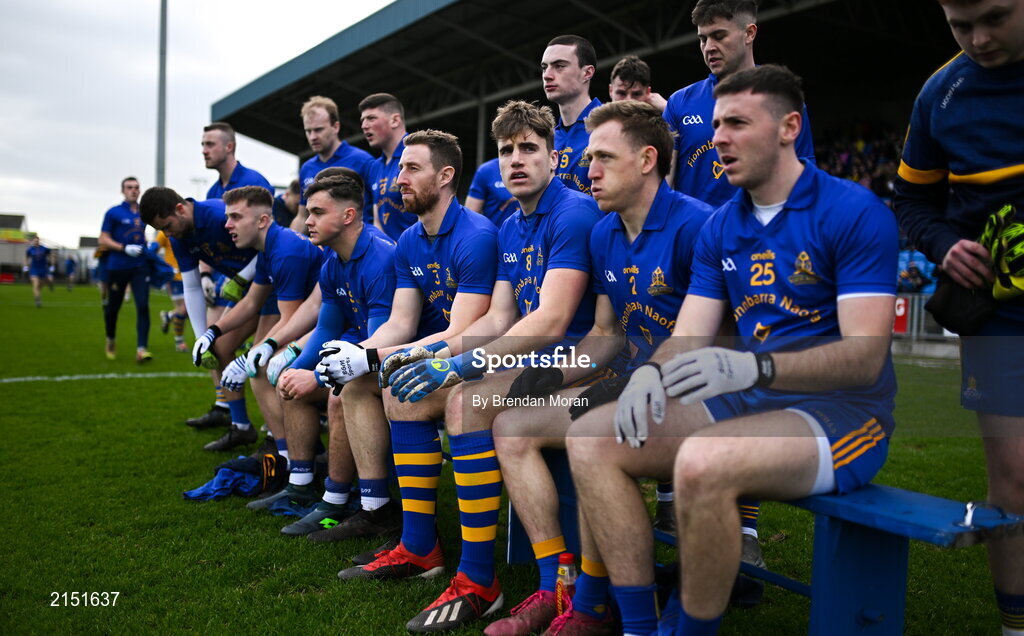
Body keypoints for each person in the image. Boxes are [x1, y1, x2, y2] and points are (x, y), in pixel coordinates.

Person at [565, 65, 898, 636]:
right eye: (716, 123)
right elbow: (689, 333)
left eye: (737, 123)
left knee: (702, 462)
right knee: (590, 438)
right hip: (746, 402)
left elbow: (864, 358)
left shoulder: (855, 212)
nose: (717, 137)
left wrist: (752, 365)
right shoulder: (722, 225)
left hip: (842, 416)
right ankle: (639, 627)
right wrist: (649, 374)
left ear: (789, 127)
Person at [484, 100, 712, 636]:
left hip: (697, 395)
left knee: (592, 438)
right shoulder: (606, 232)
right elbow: (606, 334)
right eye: (588, 159)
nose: (589, 172)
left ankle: (597, 609)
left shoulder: (699, 225)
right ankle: (560, 587)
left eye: (603, 158)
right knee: (511, 422)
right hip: (630, 383)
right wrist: (556, 374)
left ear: (648, 159)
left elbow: (700, 342)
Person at [315, 130, 501, 633]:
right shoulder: (410, 241)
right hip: (442, 355)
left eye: (412, 169)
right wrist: (365, 353)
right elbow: (400, 322)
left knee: (418, 387)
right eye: (399, 169)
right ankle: (418, 545)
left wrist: (384, 357)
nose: (400, 179)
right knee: (392, 389)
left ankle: (478, 577)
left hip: (482, 359)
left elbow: (464, 332)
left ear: (445, 176)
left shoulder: (477, 235)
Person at [894, 2, 1024, 633]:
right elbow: (912, 198)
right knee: (1015, 478)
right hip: (1000, 320)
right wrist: (944, 245)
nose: (977, 39)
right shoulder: (941, 93)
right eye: (957, 23)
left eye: (995, 17)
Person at [264, 174, 398, 536]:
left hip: (390, 360)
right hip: (356, 355)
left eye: (317, 212)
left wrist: (318, 376)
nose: (307, 221)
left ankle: (335, 501)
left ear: (349, 215)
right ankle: (301, 484)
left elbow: (379, 343)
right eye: (307, 211)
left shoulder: (380, 257)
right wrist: (299, 369)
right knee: (291, 380)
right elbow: (325, 328)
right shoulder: (332, 263)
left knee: (341, 395)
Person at [199, 186, 325, 453]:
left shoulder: (285, 250)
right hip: (314, 325)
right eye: (227, 217)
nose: (227, 225)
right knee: (259, 362)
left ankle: (288, 454)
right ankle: (288, 451)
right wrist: (213, 331)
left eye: (235, 217)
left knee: (261, 369)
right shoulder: (270, 246)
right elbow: (251, 302)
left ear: (263, 221)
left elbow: (290, 321)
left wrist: (249, 357)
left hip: (322, 330)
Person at [139, 187, 268, 445]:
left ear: (179, 209)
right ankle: (241, 425)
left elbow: (272, 243)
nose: (168, 234)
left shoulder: (219, 214)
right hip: (250, 290)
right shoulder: (179, 235)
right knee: (220, 348)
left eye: (167, 226)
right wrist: (201, 339)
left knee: (265, 361)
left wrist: (243, 276)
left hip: (277, 283)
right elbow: (192, 285)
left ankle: (283, 443)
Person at [663, 0, 815, 208]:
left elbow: (803, 177)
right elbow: (663, 185)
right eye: (702, 39)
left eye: (719, 36)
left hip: (763, 234)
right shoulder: (679, 103)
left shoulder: (782, 98)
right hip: (696, 237)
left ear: (749, 33)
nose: (709, 48)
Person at [291, 96, 376, 233]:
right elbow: (302, 216)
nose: (313, 137)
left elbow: (379, 209)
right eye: (308, 131)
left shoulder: (363, 161)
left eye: (318, 130)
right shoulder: (307, 168)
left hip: (358, 245)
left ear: (336, 126)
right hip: (323, 250)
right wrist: (290, 245)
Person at [98, 177, 151, 363]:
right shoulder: (113, 212)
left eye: (136, 187)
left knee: (143, 306)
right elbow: (103, 239)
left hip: (139, 266)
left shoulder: (144, 213)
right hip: (118, 266)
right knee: (113, 308)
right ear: (123, 190)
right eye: (129, 188)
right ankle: (110, 338)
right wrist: (123, 248)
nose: (134, 191)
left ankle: (142, 349)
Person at [542, 35, 601, 196]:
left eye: (559, 66)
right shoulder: (548, 138)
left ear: (587, 73)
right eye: (544, 67)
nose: (547, 75)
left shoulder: (612, 126)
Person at [360, 93, 414, 241]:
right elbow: (377, 219)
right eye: (362, 120)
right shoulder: (375, 166)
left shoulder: (418, 153)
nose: (364, 125)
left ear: (395, 120)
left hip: (420, 254)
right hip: (391, 257)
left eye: (371, 118)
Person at [156, 230, 189, 352]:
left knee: (189, 309)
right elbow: (152, 250)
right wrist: (165, 268)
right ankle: (179, 342)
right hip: (174, 277)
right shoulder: (163, 232)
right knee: (184, 310)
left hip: (190, 273)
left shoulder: (186, 227)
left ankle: (168, 316)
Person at [465, 157, 521, 228]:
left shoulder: (534, 168)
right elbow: (470, 218)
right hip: (497, 235)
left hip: (532, 235)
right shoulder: (486, 170)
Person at [24, 236, 52, 308]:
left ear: (39, 241)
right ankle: (37, 300)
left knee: (40, 286)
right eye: (35, 241)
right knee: (35, 284)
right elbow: (26, 258)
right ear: (33, 241)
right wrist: (26, 266)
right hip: (34, 269)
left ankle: (37, 294)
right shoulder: (30, 249)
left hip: (43, 269)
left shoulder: (44, 248)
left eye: (37, 241)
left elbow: (51, 255)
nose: (36, 242)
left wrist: (51, 264)